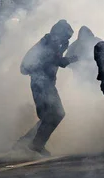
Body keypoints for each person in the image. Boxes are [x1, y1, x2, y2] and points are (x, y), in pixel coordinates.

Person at [15, 20, 78, 156]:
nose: (67, 40)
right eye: (66, 36)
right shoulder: (52, 42)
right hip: (43, 84)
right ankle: (36, 144)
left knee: (47, 117)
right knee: (57, 113)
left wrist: (62, 49)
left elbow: (51, 59)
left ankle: (23, 143)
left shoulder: (47, 41)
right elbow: (58, 61)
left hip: (41, 84)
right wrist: (72, 58)